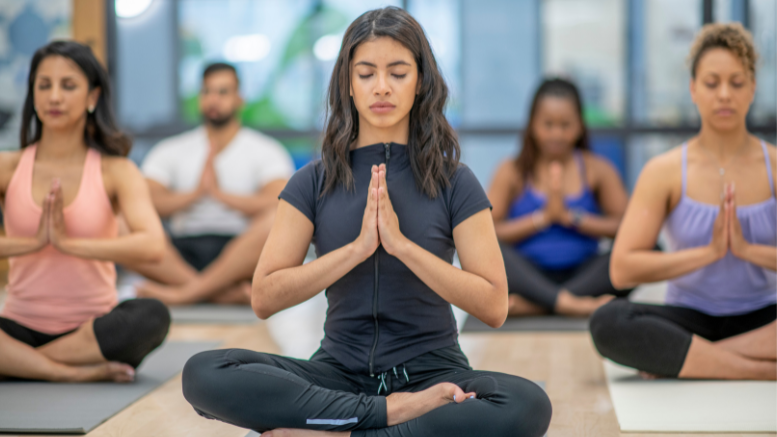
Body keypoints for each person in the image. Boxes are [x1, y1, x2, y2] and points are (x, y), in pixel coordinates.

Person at [181, 7, 552, 437]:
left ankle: (337, 430)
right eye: (366, 74)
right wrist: (355, 250)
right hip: (338, 373)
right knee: (205, 371)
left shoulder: (455, 180)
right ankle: (385, 419)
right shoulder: (312, 181)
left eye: (397, 73)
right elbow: (264, 297)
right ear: (348, 85)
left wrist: (401, 246)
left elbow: (493, 305)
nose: (381, 87)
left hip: (433, 372)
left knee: (526, 404)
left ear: (420, 83)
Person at [590, 23, 776, 380]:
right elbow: (622, 268)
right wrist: (708, 254)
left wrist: (746, 249)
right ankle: (758, 369)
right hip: (689, 321)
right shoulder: (665, 170)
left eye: (737, 83)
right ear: (693, 89)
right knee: (608, 321)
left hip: (763, 318)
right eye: (711, 83)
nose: (724, 94)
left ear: (752, 88)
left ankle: (695, 361)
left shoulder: (774, 166)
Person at [0, 41, 170, 382]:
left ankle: (22, 365)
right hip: (19, 325)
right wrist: (32, 242)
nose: (55, 97)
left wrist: (71, 244)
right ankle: (66, 372)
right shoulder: (7, 167)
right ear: (33, 94)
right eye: (44, 85)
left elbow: (153, 246)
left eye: (68, 85)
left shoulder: (116, 170)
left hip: (93, 333)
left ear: (92, 97)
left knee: (152, 315)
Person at [129, 62, 295, 305]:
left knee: (277, 219)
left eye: (223, 92)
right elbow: (145, 201)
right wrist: (194, 194)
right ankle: (218, 293)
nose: (214, 99)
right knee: (122, 222)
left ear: (240, 98)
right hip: (180, 251)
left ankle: (184, 293)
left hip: (240, 252)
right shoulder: (171, 149)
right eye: (207, 92)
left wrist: (221, 195)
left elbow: (280, 203)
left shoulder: (266, 150)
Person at [488, 78, 629, 317]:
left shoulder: (598, 169)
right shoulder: (511, 171)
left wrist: (571, 218)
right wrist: (543, 218)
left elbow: (627, 227)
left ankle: (540, 304)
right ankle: (570, 304)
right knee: (482, 250)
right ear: (532, 125)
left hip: (584, 273)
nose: (557, 134)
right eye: (548, 124)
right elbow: (488, 232)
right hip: (527, 274)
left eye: (565, 125)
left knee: (649, 247)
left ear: (580, 126)